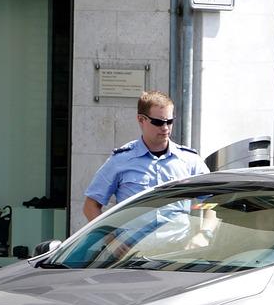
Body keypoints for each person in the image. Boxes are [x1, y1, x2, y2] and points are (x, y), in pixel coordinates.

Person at [83, 91, 208, 222]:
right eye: (158, 122)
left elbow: (214, 199)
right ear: (141, 120)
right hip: (134, 242)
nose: (165, 128)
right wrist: (112, 239)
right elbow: (90, 206)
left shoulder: (190, 160)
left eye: (169, 121)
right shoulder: (121, 160)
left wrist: (203, 234)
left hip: (177, 241)